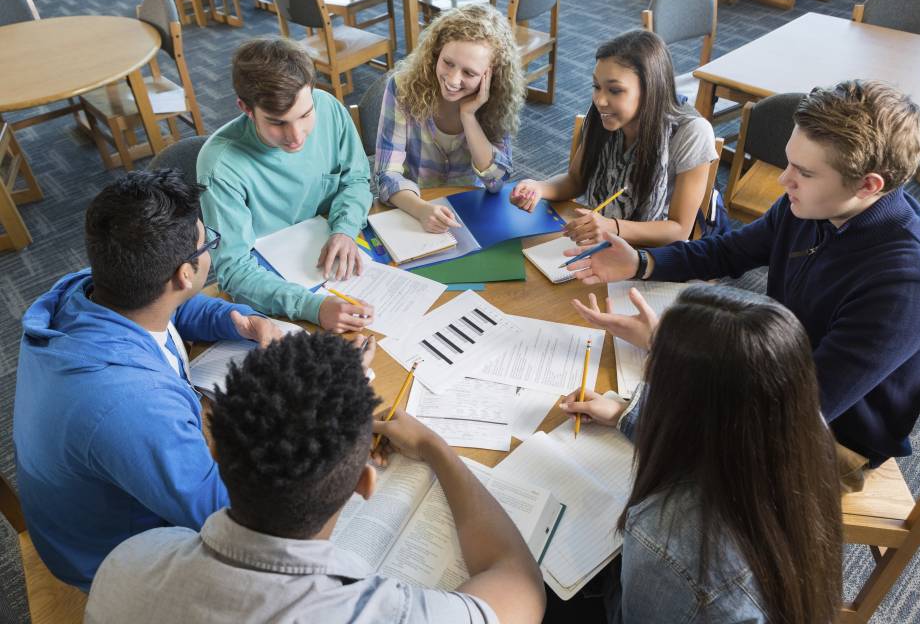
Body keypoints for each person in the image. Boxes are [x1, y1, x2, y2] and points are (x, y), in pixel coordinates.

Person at [565, 80, 920, 490]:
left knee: (656, 486)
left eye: (804, 172)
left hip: (831, 435)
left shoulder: (908, 284)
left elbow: (792, 410)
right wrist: (641, 261)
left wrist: (647, 396)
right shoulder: (814, 203)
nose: (784, 180)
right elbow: (728, 252)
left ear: (869, 185)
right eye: (789, 162)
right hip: (775, 370)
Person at [85, 332, 546, 624]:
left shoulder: (127, 563)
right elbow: (519, 583)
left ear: (215, 451)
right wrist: (434, 449)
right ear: (366, 484)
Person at [13, 170, 285, 591]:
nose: (210, 245)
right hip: (113, 563)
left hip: (95, 508)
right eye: (207, 242)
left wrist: (241, 322)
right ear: (184, 275)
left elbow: (173, 312)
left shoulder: (90, 292)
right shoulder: (131, 404)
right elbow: (226, 515)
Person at [559, 285, 843, 624]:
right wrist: (626, 412)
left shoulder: (667, 543)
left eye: (654, 364)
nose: (648, 369)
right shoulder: (802, 427)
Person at [198, 37, 375, 333]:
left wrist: (344, 229)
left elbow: (356, 179)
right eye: (278, 123)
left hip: (336, 265)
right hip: (270, 290)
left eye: (305, 115)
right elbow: (233, 268)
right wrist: (311, 307)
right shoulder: (220, 165)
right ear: (246, 108)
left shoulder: (329, 108)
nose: (296, 136)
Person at [510, 30, 719, 247]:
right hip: (596, 237)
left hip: (651, 255)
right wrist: (539, 188)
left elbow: (679, 229)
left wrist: (612, 227)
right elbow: (575, 180)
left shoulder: (691, 133)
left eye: (615, 90)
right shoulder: (603, 116)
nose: (600, 100)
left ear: (651, 89)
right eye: (596, 86)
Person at [375, 3, 525, 233]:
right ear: (436, 53)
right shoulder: (403, 87)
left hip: (469, 210)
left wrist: (469, 116)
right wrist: (422, 209)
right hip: (413, 208)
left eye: (469, 73)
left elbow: (496, 182)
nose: (453, 80)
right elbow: (386, 174)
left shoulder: (495, 103)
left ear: (490, 76)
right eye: (448, 63)